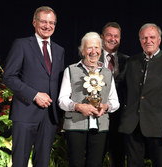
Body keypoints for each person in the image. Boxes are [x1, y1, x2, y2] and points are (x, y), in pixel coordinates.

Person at [3, 6, 65, 167]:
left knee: (43, 162)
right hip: (25, 113)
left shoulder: (59, 50)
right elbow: (9, 77)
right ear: (34, 22)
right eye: (43, 21)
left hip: (49, 117)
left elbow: (58, 82)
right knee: (20, 162)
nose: (47, 26)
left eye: (52, 22)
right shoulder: (22, 44)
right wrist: (35, 94)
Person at [118, 23, 162, 167]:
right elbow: (120, 90)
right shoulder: (131, 61)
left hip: (159, 128)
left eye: (152, 37)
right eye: (144, 38)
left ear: (159, 40)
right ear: (140, 40)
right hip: (132, 125)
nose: (148, 41)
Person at [58, 32, 120, 167]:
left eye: (97, 47)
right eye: (89, 48)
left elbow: (115, 101)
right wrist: (78, 107)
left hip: (100, 127)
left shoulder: (107, 72)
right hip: (75, 125)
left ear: (101, 50)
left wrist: (105, 107)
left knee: (96, 164)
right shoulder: (71, 70)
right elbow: (62, 100)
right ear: (82, 51)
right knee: (76, 163)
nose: (94, 51)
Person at [100, 22, 129, 167]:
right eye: (109, 35)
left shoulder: (128, 61)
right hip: (97, 117)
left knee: (118, 160)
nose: (113, 39)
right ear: (102, 37)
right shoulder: (91, 59)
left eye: (116, 36)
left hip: (120, 121)